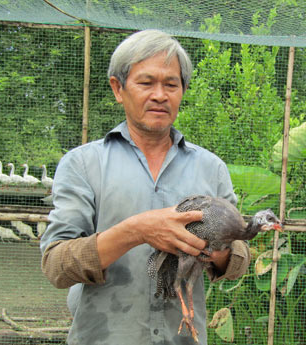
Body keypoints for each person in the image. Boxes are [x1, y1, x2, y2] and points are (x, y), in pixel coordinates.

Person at [40, 29, 250, 345]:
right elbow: (57, 266)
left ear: (183, 90)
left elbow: (238, 260)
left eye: (171, 84)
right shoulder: (83, 164)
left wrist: (215, 249)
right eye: (146, 82)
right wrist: (136, 231)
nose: (160, 95)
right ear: (118, 88)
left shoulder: (211, 168)